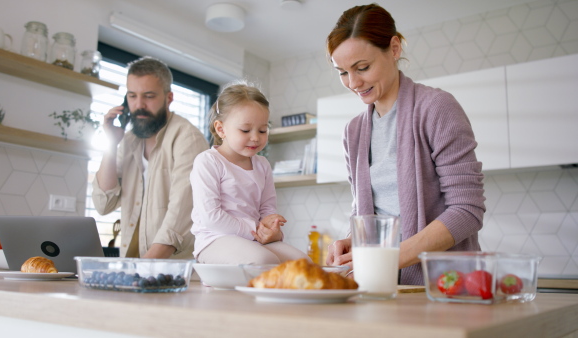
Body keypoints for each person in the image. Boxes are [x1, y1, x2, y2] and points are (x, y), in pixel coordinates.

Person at [325, 4, 486, 285]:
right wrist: (353, 240)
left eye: (362, 67)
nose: (353, 82)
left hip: (444, 285)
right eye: (342, 72)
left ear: (395, 48)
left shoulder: (437, 108)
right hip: (378, 284)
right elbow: (367, 211)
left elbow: (467, 210)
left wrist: (389, 257)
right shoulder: (353, 131)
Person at [92, 56, 208, 259]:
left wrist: (142, 270)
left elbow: (181, 213)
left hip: (173, 271)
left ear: (168, 98)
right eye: (132, 96)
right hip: (135, 264)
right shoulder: (128, 141)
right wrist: (111, 143)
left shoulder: (187, 138)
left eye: (149, 96)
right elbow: (104, 204)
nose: (139, 105)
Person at [190, 82, 308, 264]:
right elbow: (211, 218)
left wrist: (272, 229)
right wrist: (256, 229)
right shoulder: (208, 161)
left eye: (263, 130)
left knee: (303, 263)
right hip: (214, 240)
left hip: (253, 238)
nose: (256, 137)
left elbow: (267, 209)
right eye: (245, 130)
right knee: (263, 261)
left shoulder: (262, 164)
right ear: (221, 129)